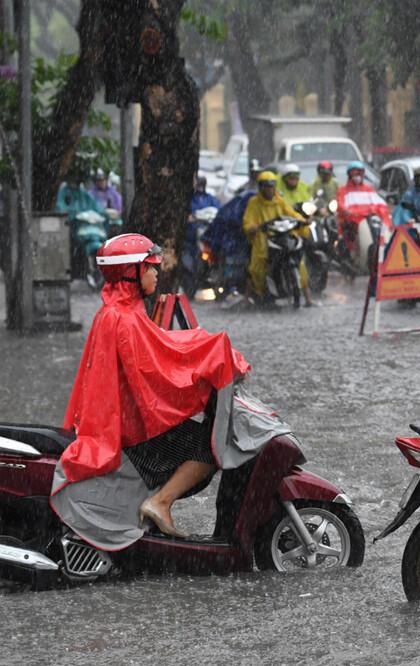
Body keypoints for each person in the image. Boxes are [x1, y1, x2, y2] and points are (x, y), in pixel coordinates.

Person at [51, 233, 251, 543]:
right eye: (151, 267)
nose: (157, 273)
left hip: (121, 427)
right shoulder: (125, 319)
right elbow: (160, 372)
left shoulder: (115, 311)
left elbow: (162, 350)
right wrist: (212, 355)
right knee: (211, 444)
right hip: (134, 437)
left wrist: (205, 349)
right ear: (132, 272)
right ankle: (160, 502)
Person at [243, 171, 316, 307]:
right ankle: (258, 293)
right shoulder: (254, 203)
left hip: (282, 236)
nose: (269, 190)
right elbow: (248, 222)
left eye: (272, 186)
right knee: (257, 267)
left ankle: (308, 298)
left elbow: (291, 214)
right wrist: (254, 227)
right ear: (261, 187)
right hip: (264, 238)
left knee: (300, 264)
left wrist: (303, 221)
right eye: (266, 186)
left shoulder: (280, 202)